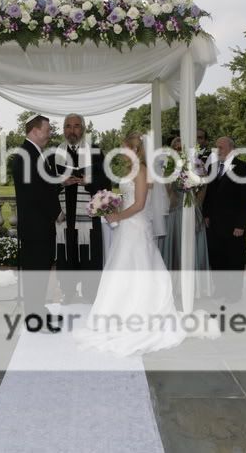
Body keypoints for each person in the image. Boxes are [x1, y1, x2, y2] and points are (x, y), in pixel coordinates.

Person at [74, 133, 216, 356]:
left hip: (136, 226)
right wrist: (110, 205)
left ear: (134, 150)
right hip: (127, 226)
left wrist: (117, 216)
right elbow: (129, 199)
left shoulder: (141, 170)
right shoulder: (131, 170)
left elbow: (140, 204)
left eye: (123, 148)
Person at [53, 113, 111, 304]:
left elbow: (106, 184)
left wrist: (89, 181)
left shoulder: (95, 152)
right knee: (66, 255)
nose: (72, 130)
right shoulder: (55, 155)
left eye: (76, 126)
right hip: (64, 216)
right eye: (68, 126)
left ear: (84, 129)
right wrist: (61, 183)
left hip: (89, 216)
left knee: (90, 255)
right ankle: (67, 292)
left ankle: (91, 293)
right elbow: (45, 186)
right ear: (63, 129)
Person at [12, 115, 62, 327]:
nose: (50, 134)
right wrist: (57, 212)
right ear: (34, 131)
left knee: (41, 270)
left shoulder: (36, 153)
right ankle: (34, 318)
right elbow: (35, 192)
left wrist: (61, 182)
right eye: (47, 130)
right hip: (35, 227)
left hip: (40, 226)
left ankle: (38, 309)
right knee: (35, 272)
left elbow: (45, 185)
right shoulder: (26, 155)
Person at [202, 136, 246, 303]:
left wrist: (241, 224)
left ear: (231, 149)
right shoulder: (212, 167)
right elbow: (209, 194)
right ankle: (220, 288)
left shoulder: (244, 168)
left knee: (234, 259)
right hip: (214, 223)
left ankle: (234, 292)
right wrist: (206, 215)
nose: (217, 150)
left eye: (221, 147)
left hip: (234, 225)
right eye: (216, 147)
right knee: (216, 257)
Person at [161, 136, 212, 298]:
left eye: (180, 147)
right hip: (175, 209)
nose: (178, 150)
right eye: (175, 147)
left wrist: (197, 203)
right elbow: (166, 188)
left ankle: (195, 286)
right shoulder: (168, 165)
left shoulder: (197, 163)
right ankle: (175, 286)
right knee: (176, 245)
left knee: (193, 244)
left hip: (192, 208)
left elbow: (204, 185)